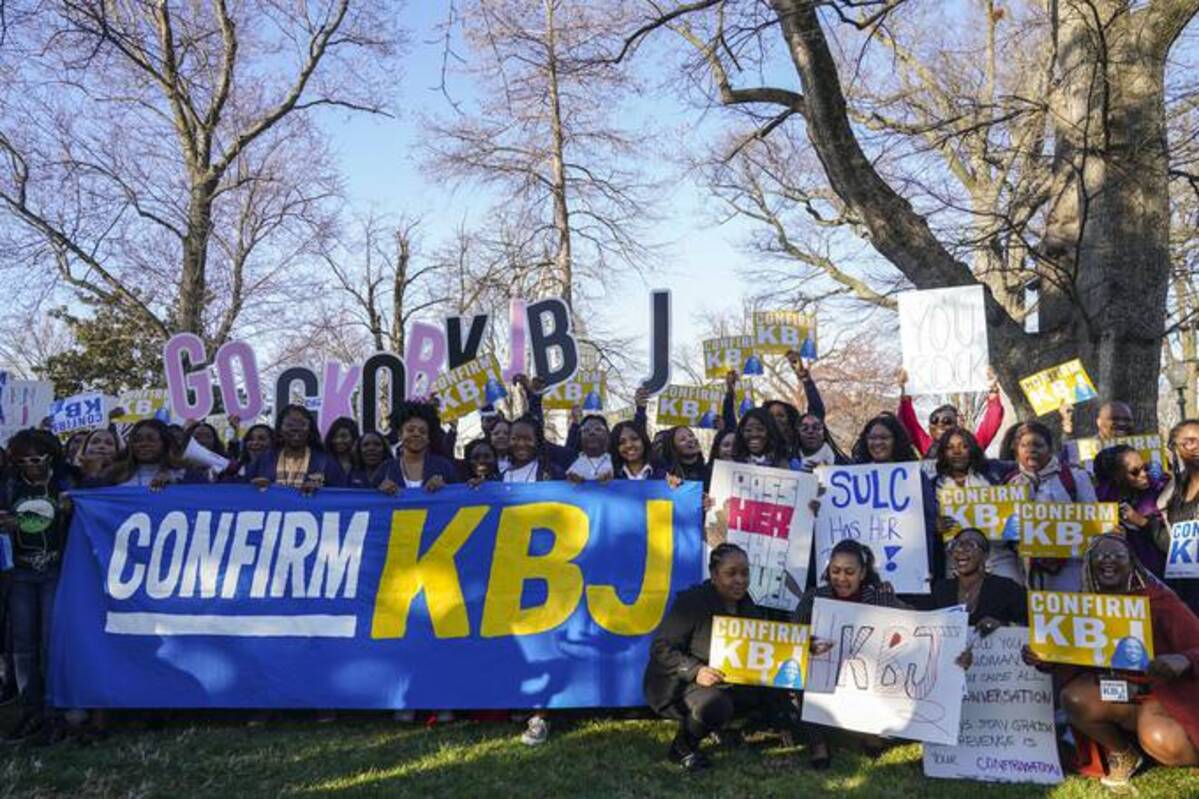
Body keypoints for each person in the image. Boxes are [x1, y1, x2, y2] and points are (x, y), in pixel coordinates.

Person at [1022, 534, 1199, 788]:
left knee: (1160, 739)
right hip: (1115, 694)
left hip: (1158, 696)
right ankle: (1124, 754)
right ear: (1088, 564)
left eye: (1118, 555)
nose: (1109, 561)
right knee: (1073, 697)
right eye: (1101, 555)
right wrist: (1044, 656)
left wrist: (1183, 658)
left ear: (1133, 564)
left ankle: (1180, 751)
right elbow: (1070, 660)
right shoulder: (1079, 608)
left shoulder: (1159, 602)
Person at [644, 544, 800, 771]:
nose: (740, 580)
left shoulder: (748, 605)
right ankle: (682, 748)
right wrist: (695, 670)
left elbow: (768, 647)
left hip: (726, 681)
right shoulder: (691, 603)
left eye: (745, 573)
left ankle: (730, 728)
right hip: (675, 685)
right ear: (714, 575)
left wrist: (804, 649)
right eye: (731, 573)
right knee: (716, 705)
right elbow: (661, 648)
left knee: (778, 691)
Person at [794, 540, 905, 768]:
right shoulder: (814, 598)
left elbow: (916, 623)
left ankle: (869, 731)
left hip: (865, 674)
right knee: (800, 668)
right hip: (823, 670)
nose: (841, 578)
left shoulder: (878, 597)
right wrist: (809, 644)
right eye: (835, 571)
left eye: (849, 572)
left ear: (863, 573)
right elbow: (791, 636)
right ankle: (818, 743)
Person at [1, 430, 73, 743]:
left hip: (56, 571)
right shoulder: (7, 485)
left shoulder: (68, 482)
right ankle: (29, 710)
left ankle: (54, 711)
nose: (29, 464)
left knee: (51, 642)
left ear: (51, 455)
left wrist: (73, 509)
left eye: (36, 457)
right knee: (23, 646)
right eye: (21, 459)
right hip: (20, 573)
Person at [849, 414, 943, 584]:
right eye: (872, 438)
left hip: (907, 571)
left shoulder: (916, 477)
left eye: (884, 437)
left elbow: (928, 524)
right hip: (863, 577)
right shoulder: (852, 477)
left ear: (896, 440)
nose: (877, 443)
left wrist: (925, 564)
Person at [1003, 421, 1096, 591]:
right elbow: (1006, 530)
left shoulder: (1075, 476)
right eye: (1024, 445)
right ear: (1017, 450)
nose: (1031, 450)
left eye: (1038, 445)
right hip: (1027, 571)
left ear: (1050, 448)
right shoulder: (1011, 483)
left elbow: (1093, 520)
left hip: (1071, 568)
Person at [933, 427, 1021, 582]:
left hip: (997, 557)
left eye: (963, 446)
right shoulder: (934, 485)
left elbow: (1030, 466)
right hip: (956, 562)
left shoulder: (993, 471)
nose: (957, 452)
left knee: (1013, 599)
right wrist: (935, 527)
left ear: (973, 449)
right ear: (943, 453)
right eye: (950, 447)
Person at [922, 528, 1027, 634]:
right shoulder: (942, 589)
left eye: (970, 545)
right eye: (956, 545)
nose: (961, 550)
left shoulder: (1005, 588)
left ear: (985, 555)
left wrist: (1002, 626)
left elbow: (1030, 620)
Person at [1094, 444, 1169, 583]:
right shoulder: (1100, 501)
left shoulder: (1163, 490)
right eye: (1134, 472)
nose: (1144, 474)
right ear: (1117, 477)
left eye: (1145, 467)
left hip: (1163, 577)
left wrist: (1143, 522)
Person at [896, 368, 1004, 458]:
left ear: (957, 424)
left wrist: (993, 390)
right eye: (934, 420)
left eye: (947, 421)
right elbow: (909, 422)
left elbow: (991, 422)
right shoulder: (926, 446)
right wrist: (905, 390)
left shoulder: (971, 447)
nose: (940, 425)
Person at [244, 405, 345, 492]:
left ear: (310, 429)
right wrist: (253, 486)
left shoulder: (325, 462)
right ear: (280, 429)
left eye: (302, 425)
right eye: (289, 425)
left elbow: (341, 495)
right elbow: (242, 489)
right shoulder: (264, 459)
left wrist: (321, 492)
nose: (296, 429)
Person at [1155, 419, 1199, 613]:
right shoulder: (1173, 491)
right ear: (1175, 448)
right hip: (1185, 590)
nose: (1197, 446)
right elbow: (1173, 544)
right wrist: (1145, 524)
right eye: (1189, 441)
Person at [378, 402, 457, 493]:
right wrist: (379, 492)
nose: (416, 434)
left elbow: (461, 496)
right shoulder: (386, 468)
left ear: (428, 437)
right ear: (400, 434)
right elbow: (367, 499)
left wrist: (447, 489)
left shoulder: (444, 467)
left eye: (422, 431)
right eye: (410, 430)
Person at [94, 419, 185, 488]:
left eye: (151, 439)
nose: (143, 444)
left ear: (165, 443)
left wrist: (175, 483)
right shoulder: (113, 474)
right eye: (137, 440)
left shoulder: (183, 474)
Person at [502, 416, 564, 485]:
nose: (521, 444)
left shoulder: (553, 473)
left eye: (528, 439)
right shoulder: (499, 478)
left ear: (537, 442)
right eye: (515, 438)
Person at [732, 408, 799, 470]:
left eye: (760, 429)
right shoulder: (732, 462)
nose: (754, 434)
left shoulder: (786, 463)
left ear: (770, 432)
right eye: (748, 430)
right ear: (741, 432)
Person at [566, 415, 613, 482]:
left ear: (607, 434)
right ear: (580, 436)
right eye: (586, 430)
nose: (591, 433)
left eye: (598, 429)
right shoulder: (572, 461)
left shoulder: (617, 461)